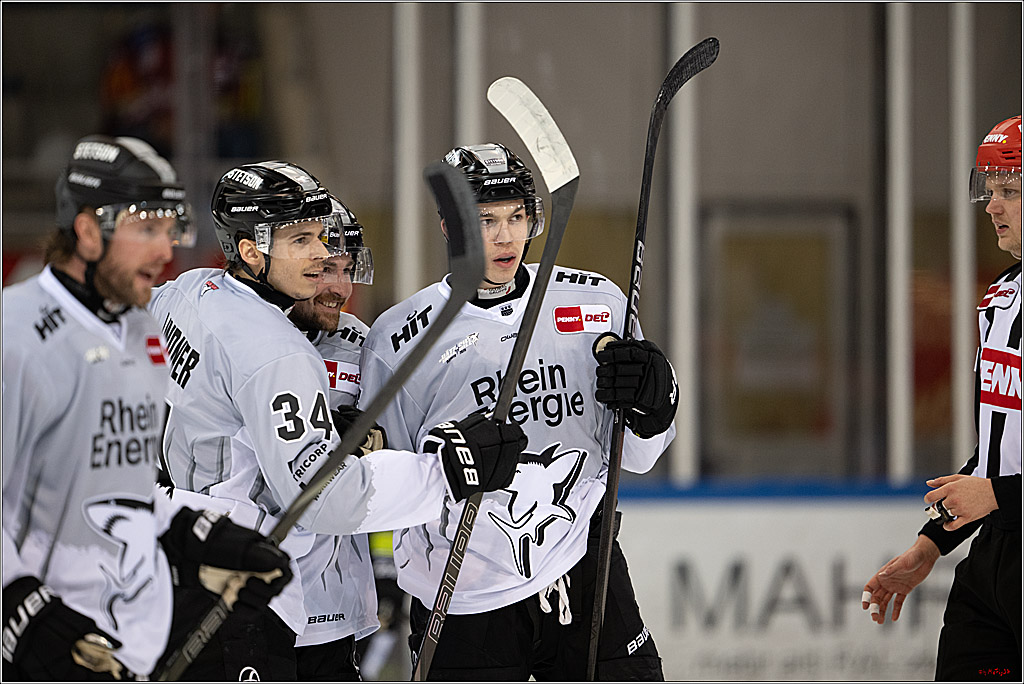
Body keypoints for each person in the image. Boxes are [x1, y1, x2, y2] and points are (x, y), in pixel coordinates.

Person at [149, 160, 528, 680]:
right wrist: (450, 470)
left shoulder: (188, 291)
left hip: (190, 568)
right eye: (303, 241)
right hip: (248, 592)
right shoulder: (275, 350)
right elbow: (328, 497)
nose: (325, 262)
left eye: (326, 243)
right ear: (251, 249)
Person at [359, 142, 678, 680]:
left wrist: (654, 404)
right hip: (462, 597)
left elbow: (642, 455)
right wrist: (385, 568)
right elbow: (378, 485)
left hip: (585, 568)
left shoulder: (596, 302)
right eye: (485, 220)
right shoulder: (398, 341)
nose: (506, 237)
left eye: (516, 217)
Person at [2, 135, 293, 681]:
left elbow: (116, 494)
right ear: (88, 231)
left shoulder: (136, 334)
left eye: (171, 228)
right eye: (146, 229)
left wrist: (199, 537)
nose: (166, 251)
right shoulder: (16, 336)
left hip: (130, 637)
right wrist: (24, 614)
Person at [862, 115, 1021, 680]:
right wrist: (931, 544)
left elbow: (997, 484)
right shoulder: (1003, 298)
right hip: (995, 566)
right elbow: (997, 455)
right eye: (990, 190)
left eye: (1010, 191)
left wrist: (999, 495)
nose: (992, 207)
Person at [287, 195, 380, 680]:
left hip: (329, 611)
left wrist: (368, 441)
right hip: (241, 594)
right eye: (325, 270)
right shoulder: (236, 335)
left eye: (347, 270)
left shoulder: (364, 344)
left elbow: (396, 449)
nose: (340, 289)